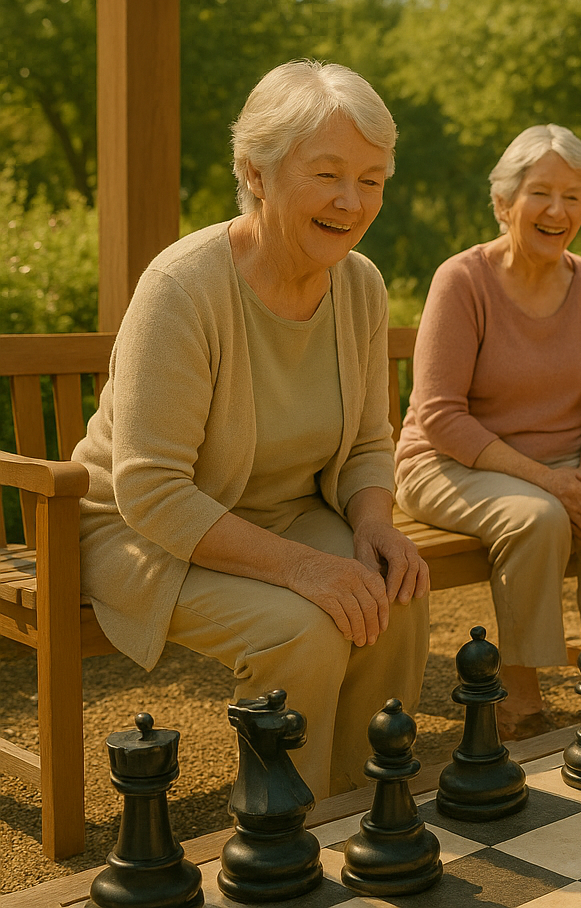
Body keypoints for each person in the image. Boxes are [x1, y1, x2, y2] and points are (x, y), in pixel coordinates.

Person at [74, 60, 431, 800]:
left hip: (283, 513)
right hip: (146, 535)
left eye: (371, 179)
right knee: (300, 627)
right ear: (256, 172)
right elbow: (151, 491)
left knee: (393, 594)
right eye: (327, 173)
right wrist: (306, 569)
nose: (350, 200)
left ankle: (360, 810)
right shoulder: (183, 287)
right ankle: (282, 842)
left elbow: (369, 439)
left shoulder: (360, 283)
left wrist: (375, 524)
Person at [394, 124, 581, 740]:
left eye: (574, 194)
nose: (558, 210)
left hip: (566, 463)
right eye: (541, 193)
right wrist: (551, 484)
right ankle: (522, 700)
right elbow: (440, 414)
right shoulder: (462, 281)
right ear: (504, 202)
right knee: (538, 517)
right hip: (449, 461)